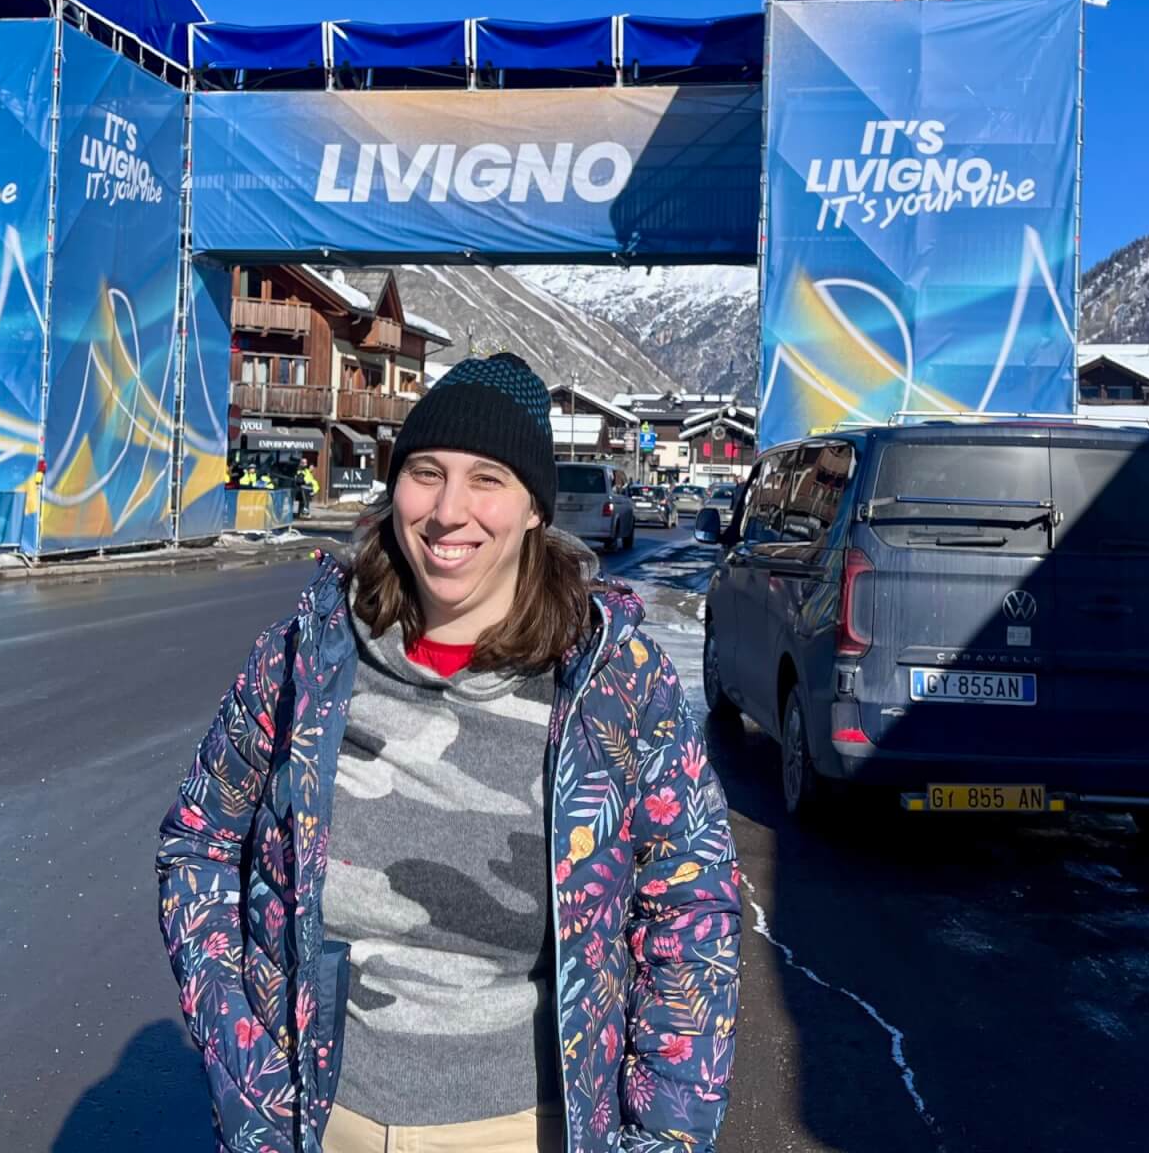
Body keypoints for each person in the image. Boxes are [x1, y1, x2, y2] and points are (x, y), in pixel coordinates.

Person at [158, 353, 740, 1153]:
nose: (448, 510)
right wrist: (244, 1059)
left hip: (521, 1129)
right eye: (426, 473)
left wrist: (667, 1136)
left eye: (488, 480)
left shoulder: (613, 684)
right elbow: (200, 841)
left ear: (535, 507)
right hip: (318, 1123)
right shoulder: (307, 654)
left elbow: (688, 908)